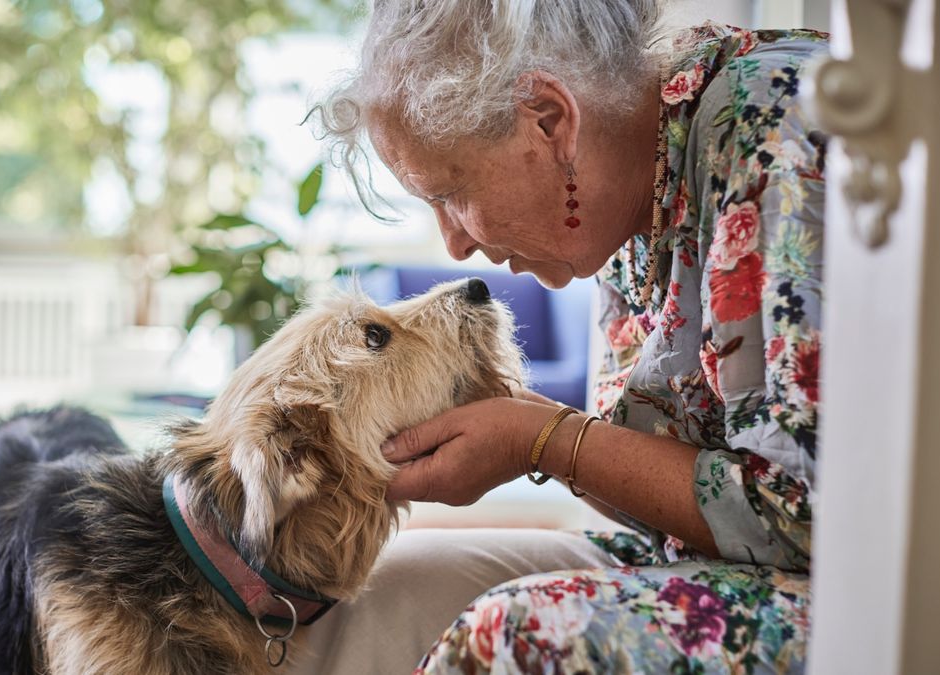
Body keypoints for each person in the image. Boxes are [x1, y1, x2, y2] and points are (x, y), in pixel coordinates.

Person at [289, 1, 828, 673]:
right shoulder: (629, 189)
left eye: (451, 192)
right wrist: (530, 431)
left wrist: (536, 438)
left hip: (863, 590)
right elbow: (663, 500)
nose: (454, 243)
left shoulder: (770, 136)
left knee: (514, 633)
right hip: (725, 567)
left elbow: (800, 518)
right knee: (378, 593)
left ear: (549, 120)